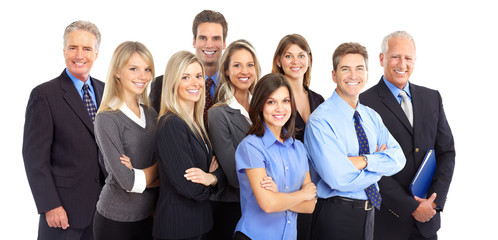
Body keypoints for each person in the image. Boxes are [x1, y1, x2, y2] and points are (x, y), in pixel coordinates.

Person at [304, 42, 406, 240]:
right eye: (345, 69)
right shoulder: (320, 121)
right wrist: (379, 166)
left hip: (369, 214)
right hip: (335, 216)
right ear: (334, 75)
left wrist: (364, 161)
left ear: (367, 74)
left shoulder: (371, 117)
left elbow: (399, 159)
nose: (353, 75)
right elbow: (338, 177)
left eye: (359, 69)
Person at [359, 31, 455, 240]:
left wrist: (434, 202)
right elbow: (369, 166)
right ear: (382, 58)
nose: (402, 64)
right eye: (395, 56)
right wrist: (410, 207)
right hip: (388, 222)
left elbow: (446, 152)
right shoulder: (365, 103)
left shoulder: (432, 98)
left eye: (408, 58)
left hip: (427, 221)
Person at [22, 20, 105, 240]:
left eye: (86, 48)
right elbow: (34, 158)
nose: (79, 55)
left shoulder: (106, 91)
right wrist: (50, 205)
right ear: (63, 51)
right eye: (73, 47)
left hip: (102, 211)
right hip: (64, 213)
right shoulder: (44, 95)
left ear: (96, 53)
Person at [234, 73, 316, 240]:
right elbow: (269, 204)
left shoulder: (299, 148)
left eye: (285, 101)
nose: (280, 108)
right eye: (271, 102)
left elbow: (310, 206)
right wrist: (303, 194)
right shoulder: (251, 147)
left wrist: (278, 195)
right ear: (260, 105)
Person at [153, 51, 225, 240]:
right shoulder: (171, 124)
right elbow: (189, 187)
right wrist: (212, 179)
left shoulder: (197, 123)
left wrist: (211, 177)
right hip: (178, 228)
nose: (195, 83)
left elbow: (220, 170)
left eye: (198, 76)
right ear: (174, 82)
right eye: (186, 77)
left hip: (201, 224)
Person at [92, 41, 159, 240]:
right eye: (134, 68)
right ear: (117, 72)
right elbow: (127, 182)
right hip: (115, 222)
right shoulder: (106, 118)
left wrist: (139, 174)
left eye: (147, 69)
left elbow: (167, 175)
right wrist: (157, 169)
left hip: (148, 216)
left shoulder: (151, 114)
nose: (143, 76)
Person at [271, 33, 324, 240]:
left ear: (309, 59)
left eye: (301, 55)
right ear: (278, 60)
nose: (296, 62)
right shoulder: (274, 101)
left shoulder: (318, 100)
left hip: (318, 187)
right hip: (287, 189)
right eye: (288, 56)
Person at [207, 39, 261, 239]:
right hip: (232, 206)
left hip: (265, 206)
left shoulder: (266, 108)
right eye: (237, 65)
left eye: (249, 65)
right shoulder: (218, 114)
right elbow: (234, 174)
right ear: (227, 71)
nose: (244, 71)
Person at [149, 9, 228, 122]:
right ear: (194, 41)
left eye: (216, 38)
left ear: (224, 43)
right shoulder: (161, 84)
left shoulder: (233, 85)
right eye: (203, 38)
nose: (209, 45)